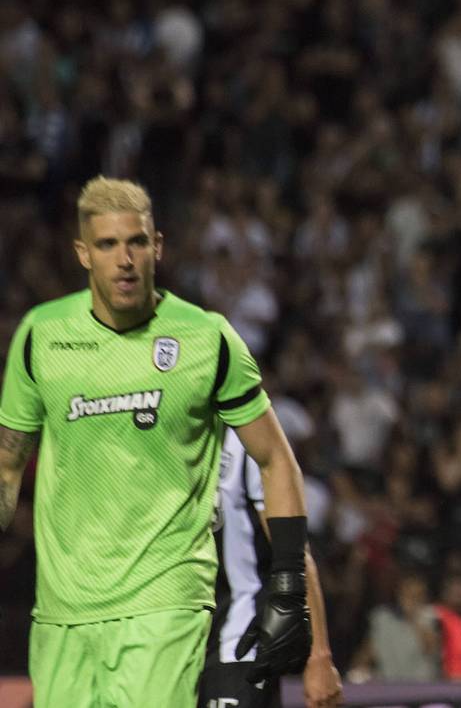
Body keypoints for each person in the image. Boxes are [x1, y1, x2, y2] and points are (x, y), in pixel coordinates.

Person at [0, 176, 312, 706]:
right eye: (107, 244)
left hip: (166, 600)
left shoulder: (205, 338)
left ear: (157, 247)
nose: (125, 259)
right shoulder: (41, 336)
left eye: (136, 242)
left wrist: (288, 587)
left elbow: (275, 459)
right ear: (83, 254)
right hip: (62, 611)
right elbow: (7, 467)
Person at [202, 428, 343, 707]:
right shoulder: (146, 436)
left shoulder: (247, 441)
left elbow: (293, 551)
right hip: (166, 641)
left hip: (237, 641)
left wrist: (319, 657)